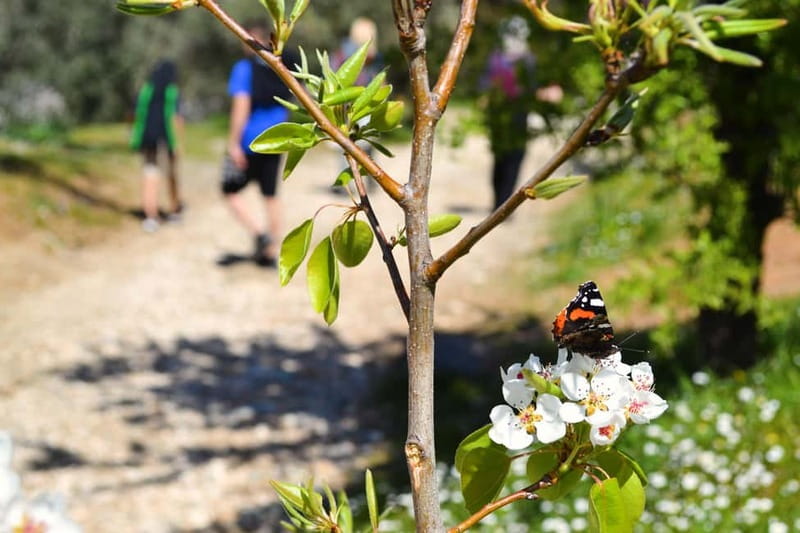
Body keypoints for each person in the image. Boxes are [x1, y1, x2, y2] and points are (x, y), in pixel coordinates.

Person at [223, 20, 295, 266]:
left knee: (229, 190)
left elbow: (241, 106)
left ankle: (260, 235)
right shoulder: (279, 66)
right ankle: (271, 252)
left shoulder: (244, 68)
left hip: (250, 141)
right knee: (271, 194)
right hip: (277, 138)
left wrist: (233, 143)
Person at [482, 16, 562, 210]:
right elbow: (520, 89)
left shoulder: (507, 58)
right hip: (506, 117)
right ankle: (500, 204)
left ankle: (500, 203)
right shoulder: (516, 60)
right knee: (508, 157)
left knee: (507, 158)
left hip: (511, 116)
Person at [130, 59, 184, 232]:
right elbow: (176, 118)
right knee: (171, 174)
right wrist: (178, 143)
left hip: (147, 138)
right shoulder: (172, 91)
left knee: (150, 173)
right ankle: (174, 210)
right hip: (166, 139)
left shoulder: (146, 90)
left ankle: (150, 215)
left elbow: (135, 114)